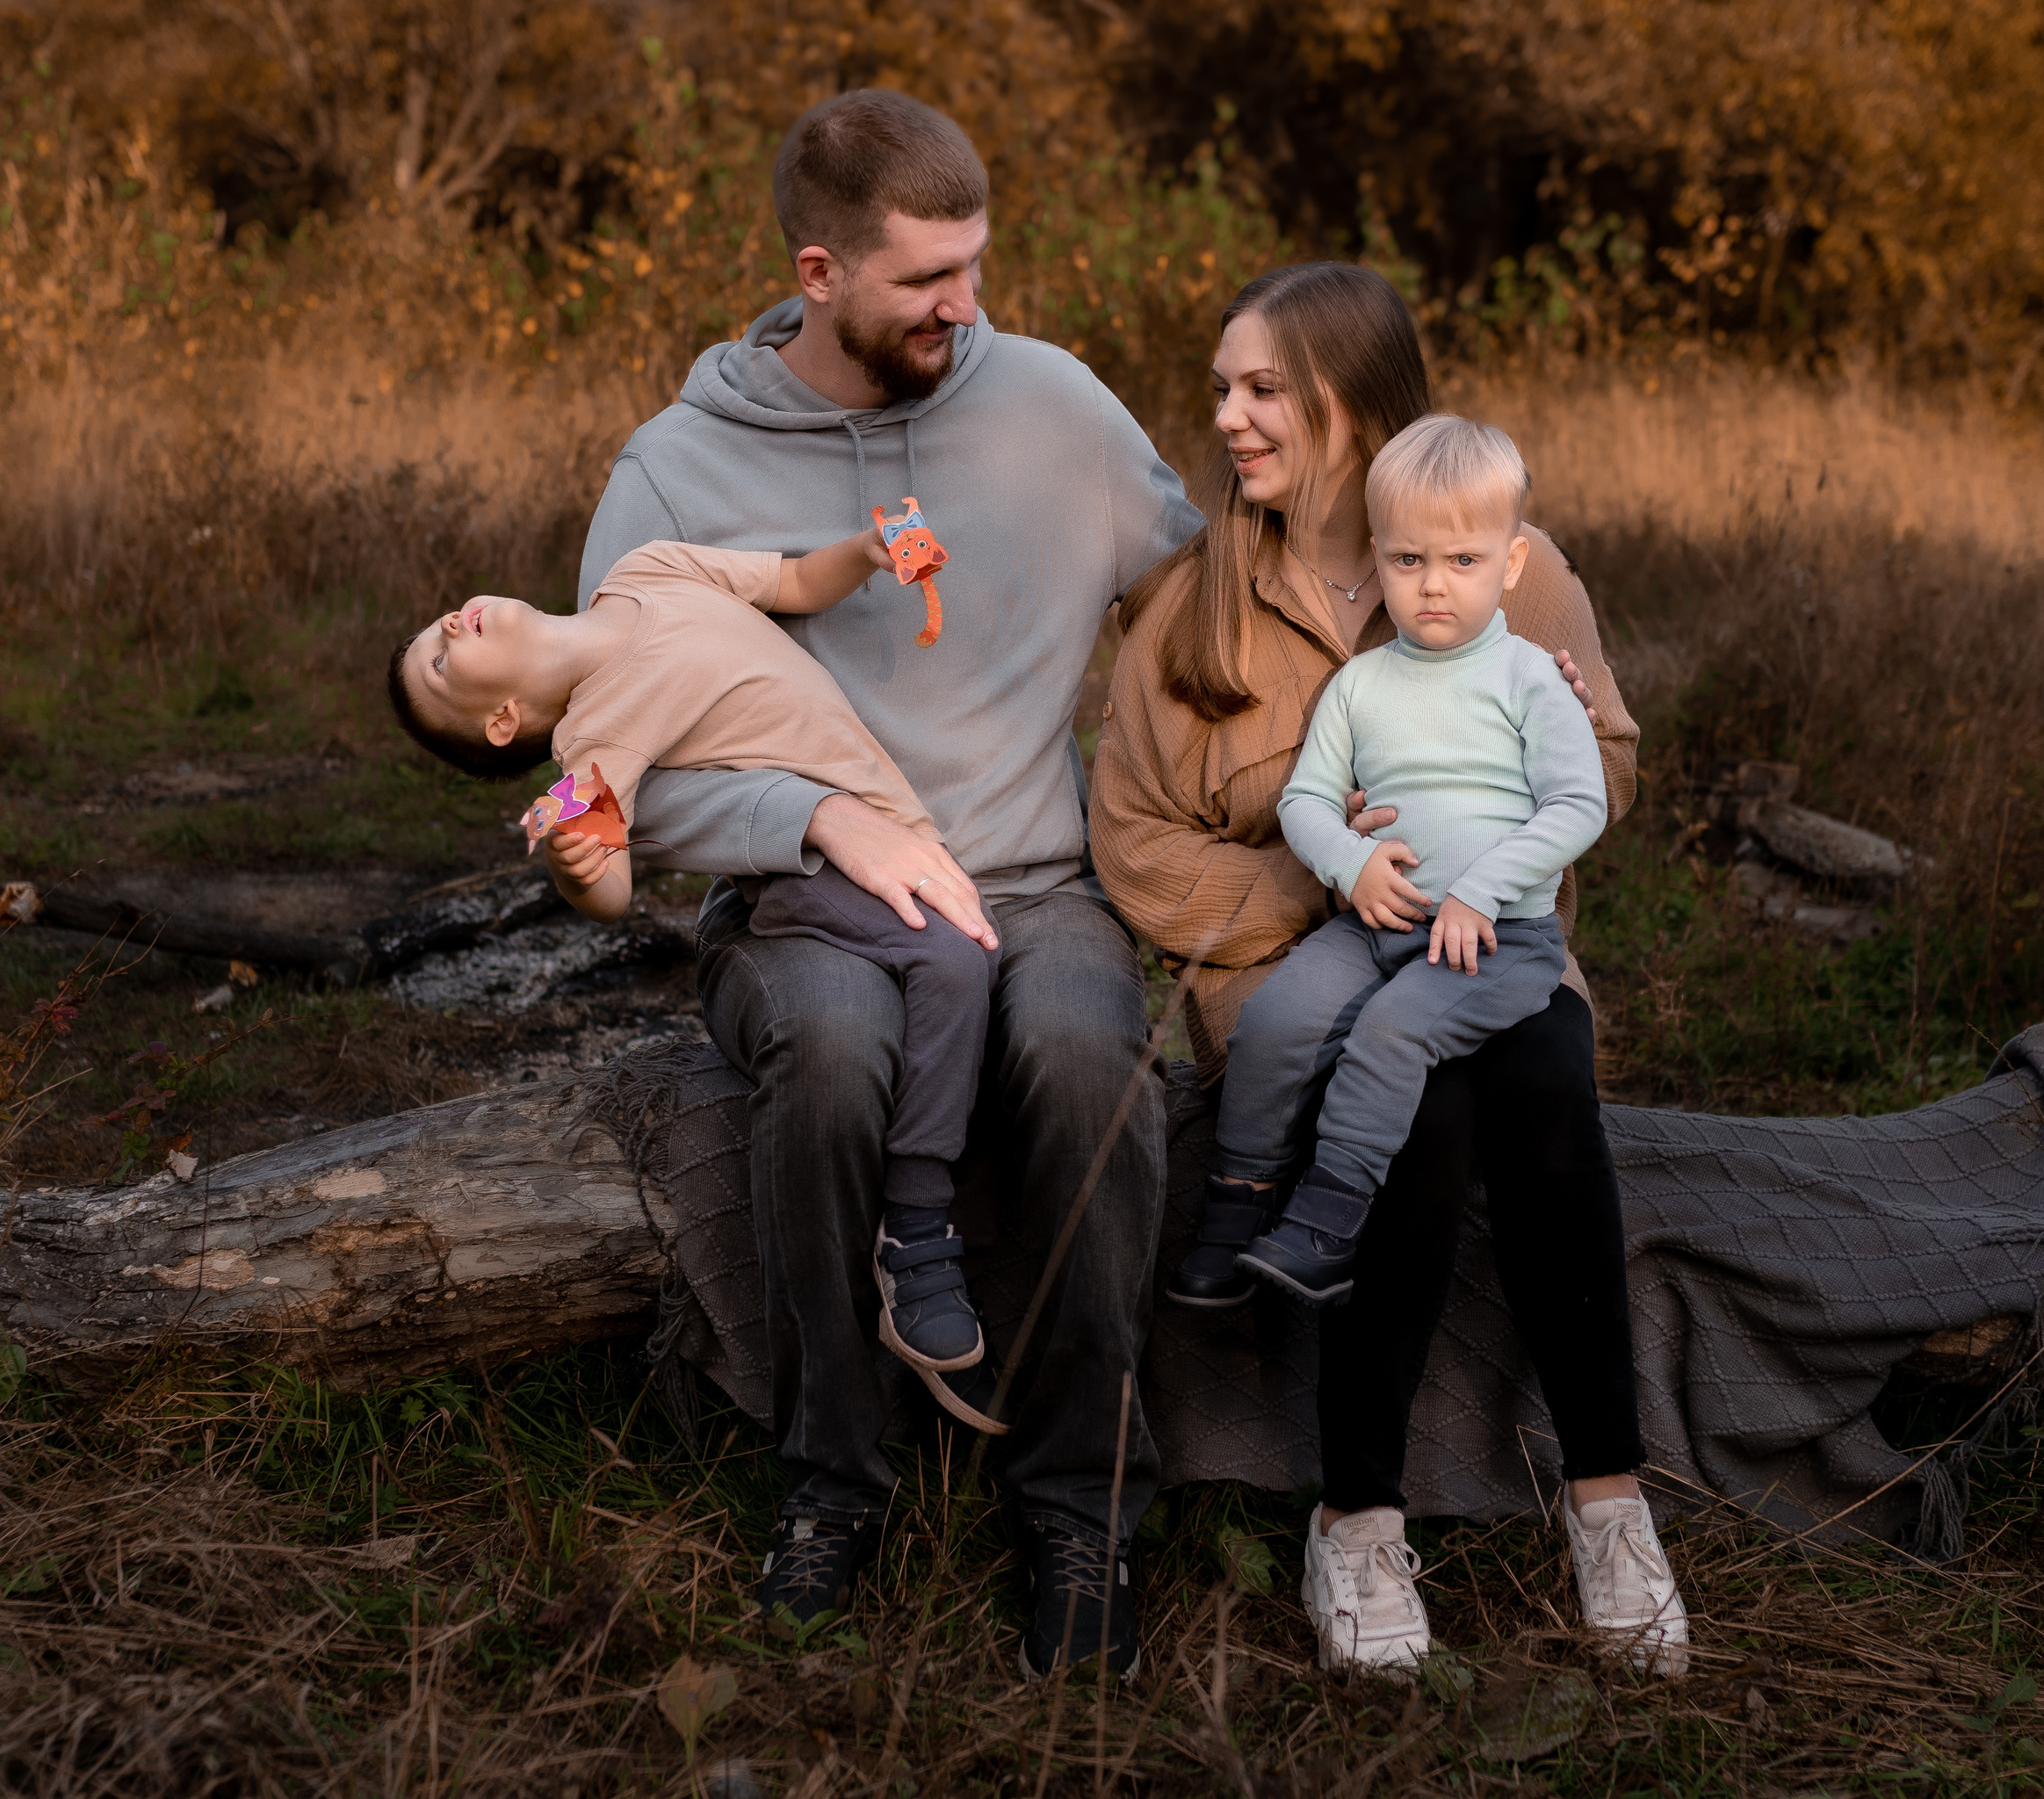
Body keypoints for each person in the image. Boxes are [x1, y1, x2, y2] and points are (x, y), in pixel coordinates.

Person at [575, 89, 1198, 1676]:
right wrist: (821, 822)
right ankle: (829, 1483)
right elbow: (606, 768)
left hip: (1036, 879)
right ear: (820, 269)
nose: (964, 308)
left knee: (1080, 1053)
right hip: (802, 905)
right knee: (838, 1049)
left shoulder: (1054, 404)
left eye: (977, 266)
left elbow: (1202, 599)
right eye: (927, 279)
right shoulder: (674, 471)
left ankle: (1077, 1504)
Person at [1088, 262, 1688, 1680]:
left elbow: (1607, 764)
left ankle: (1611, 1497)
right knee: (1415, 1104)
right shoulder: (1191, 608)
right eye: (1222, 386)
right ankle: (1355, 1515)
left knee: (1546, 1069)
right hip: (1299, 979)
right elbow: (1133, 846)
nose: (1226, 416)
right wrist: (1334, 888)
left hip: (1485, 950)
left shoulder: (1509, 560)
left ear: (1346, 404)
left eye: (1260, 389)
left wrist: (1476, 846)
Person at [384, 533, 1009, 1412]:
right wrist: (572, 861)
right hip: (806, 868)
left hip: (882, 820)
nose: (450, 625)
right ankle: (914, 1230)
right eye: (443, 660)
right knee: (953, 955)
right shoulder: (592, 737)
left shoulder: (644, 570)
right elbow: (612, 886)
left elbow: (791, 579)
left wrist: (866, 551)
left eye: (435, 626)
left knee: (970, 962)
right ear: (502, 719)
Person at [1214, 414, 1609, 1306]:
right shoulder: (1360, 683)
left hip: (1498, 937)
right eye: (1407, 561)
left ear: (1509, 564)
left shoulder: (1530, 677)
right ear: (1379, 558)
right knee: (1276, 1016)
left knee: (1393, 1030)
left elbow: (1579, 801)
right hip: (1375, 922)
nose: (1432, 586)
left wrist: (1478, 889)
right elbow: (1306, 800)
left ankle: (1328, 1219)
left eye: (1462, 562)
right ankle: (1234, 1198)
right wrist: (1350, 864)